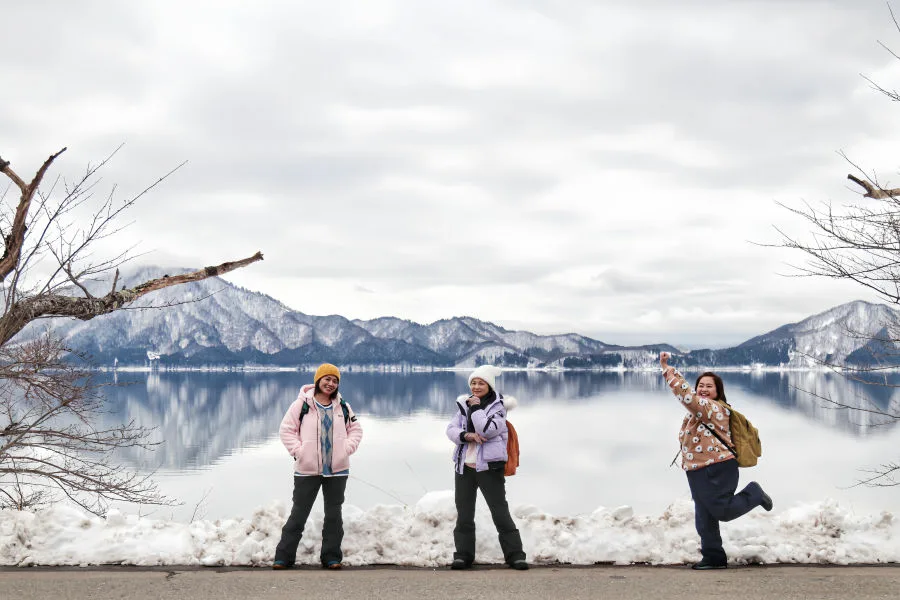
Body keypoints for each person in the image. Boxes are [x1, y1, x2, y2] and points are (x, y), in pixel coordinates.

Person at [659, 351, 773, 570]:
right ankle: (714, 557)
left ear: (718, 391)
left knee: (722, 511)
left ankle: (754, 493)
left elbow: (685, 396)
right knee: (704, 516)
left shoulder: (713, 408)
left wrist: (667, 368)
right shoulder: (699, 410)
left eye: (708, 386)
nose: (703, 389)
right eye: (700, 385)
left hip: (717, 467)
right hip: (697, 469)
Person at [272, 363, 363, 570]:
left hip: (337, 471)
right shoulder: (301, 405)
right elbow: (286, 430)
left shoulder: (343, 406)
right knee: (299, 513)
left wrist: (347, 448)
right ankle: (283, 557)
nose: (331, 384)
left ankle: (331, 557)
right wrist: (299, 451)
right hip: (307, 470)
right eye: (327, 379)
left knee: (334, 515)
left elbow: (356, 429)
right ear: (318, 380)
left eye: (335, 380)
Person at [445, 364, 528, 571]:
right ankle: (463, 556)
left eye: (480, 383)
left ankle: (515, 555)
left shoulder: (499, 407)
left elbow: (487, 429)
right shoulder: (463, 405)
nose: (476, 386)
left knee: (499, 511)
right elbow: (451, 429)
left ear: (489, 385)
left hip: (490, 468)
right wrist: (466, 436)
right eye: (473, 382)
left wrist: (475, 408)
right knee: (464, 513)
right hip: (465, 467)